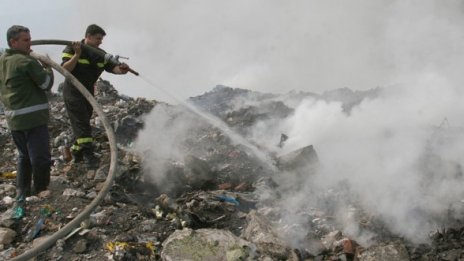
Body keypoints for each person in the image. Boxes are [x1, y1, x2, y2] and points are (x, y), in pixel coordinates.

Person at [61, 24, 129, 168]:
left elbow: (112, 68)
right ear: (89, 36)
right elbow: (64, 69)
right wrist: (77, 54)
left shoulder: (99, 53)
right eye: (98, 38)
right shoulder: (72, 48)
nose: (100, 42)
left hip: (88, 93)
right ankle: (89, 157)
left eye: (101, 39)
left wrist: (122, 70)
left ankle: (75, 151)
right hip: (73, 92)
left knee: (83, 121)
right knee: (82, 123)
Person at [0, 25, 54, 199]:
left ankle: (21, 190)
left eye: (30, 39)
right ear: (13, 42)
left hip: (14, 121)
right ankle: (40, 189)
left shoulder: (2, 61)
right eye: (25, 40)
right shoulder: (25, 61)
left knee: (24, 156)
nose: (30, 43)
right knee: (40, 157)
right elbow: (46, 85)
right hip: (33, 120)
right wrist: (47, 67)